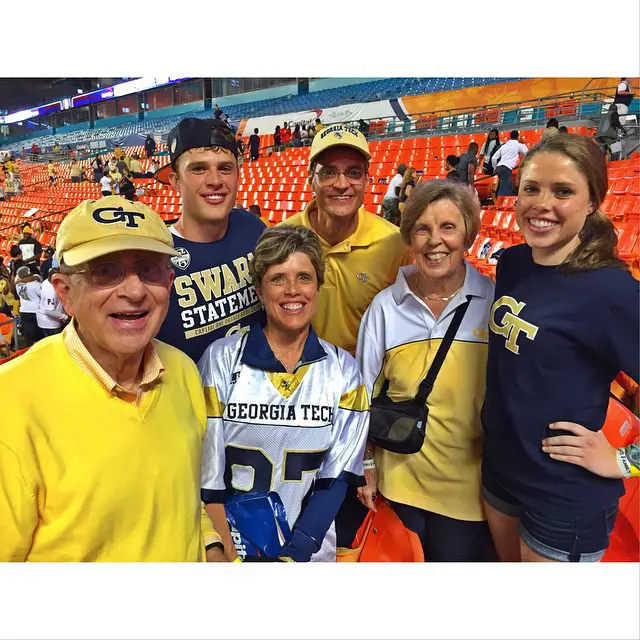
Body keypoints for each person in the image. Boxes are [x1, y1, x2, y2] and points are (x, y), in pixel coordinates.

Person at [0, 197, 226, 562]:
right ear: (65, 292)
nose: (135, 291)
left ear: (169, 282)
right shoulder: (9, 402)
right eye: (105, 271)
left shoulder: (183, 370)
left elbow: (180, 496)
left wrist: (209, 543)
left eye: (149, 269)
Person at [481, 134, 639, 563]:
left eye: (563, 191)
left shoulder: (612, 291)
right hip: (500, 472)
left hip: (563, 496)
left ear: (592, 203)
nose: (541, 203)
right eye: (531, 188)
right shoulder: (513, 264)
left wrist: (626, 460)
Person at [199, 225, 369, 562]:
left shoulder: (344, 371)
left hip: (309, 552)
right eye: (278, 278)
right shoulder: (220, 359)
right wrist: (226, 552)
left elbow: (334, 480)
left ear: (318, 286)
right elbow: (208, 477)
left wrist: (296, 554)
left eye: (304, 277)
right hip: (230, 551)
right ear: (260, 291)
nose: (293, 290)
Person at [280, 124, 410, 546]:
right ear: (311, 178)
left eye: (353, 172)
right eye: (329, 171)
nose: (341, 183)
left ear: (367, 181)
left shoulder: (392, 244)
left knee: (352, 535)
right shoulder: (282, 239)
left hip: (360, 414)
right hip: (293, 409)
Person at [356, 180, 495, 561]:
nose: (435, 241)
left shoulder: (495, 302)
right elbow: (362, 395)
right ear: (410, 238)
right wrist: (366, 465)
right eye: (423, 228)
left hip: (471, 496)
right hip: (396, 488)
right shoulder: (385, 308)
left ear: (468, 233)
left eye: (448, 227)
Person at [154, 118, 266, 364]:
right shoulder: (155, 255)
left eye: (225, 168)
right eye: (198, 169)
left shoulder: (254, 228)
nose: (215, 180)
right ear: (175, 181)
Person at [491, 130, 528, 197]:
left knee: (501, 186)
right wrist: (523, 143)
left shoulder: (504, 146)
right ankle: (502, 204)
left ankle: (498, 201)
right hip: (506, 168)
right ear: (518, 137)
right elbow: (526, 152)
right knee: (506, 190)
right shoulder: (518, 145)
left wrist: (494, 167)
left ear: (510, 137)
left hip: (499, 167)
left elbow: (494, 158)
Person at [15, 265, 43, 346]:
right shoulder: (35, 285)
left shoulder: (18, 286)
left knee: (29, 336)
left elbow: (23, 280)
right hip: (36, 311)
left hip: (24, 312)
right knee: (39, 336)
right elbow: (43, 296)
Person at [36, 267, 67, 337]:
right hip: (51, 324)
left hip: (45, 321)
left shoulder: (46, 282)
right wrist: (65, 317)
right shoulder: (51, 291)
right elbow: (49, 311)